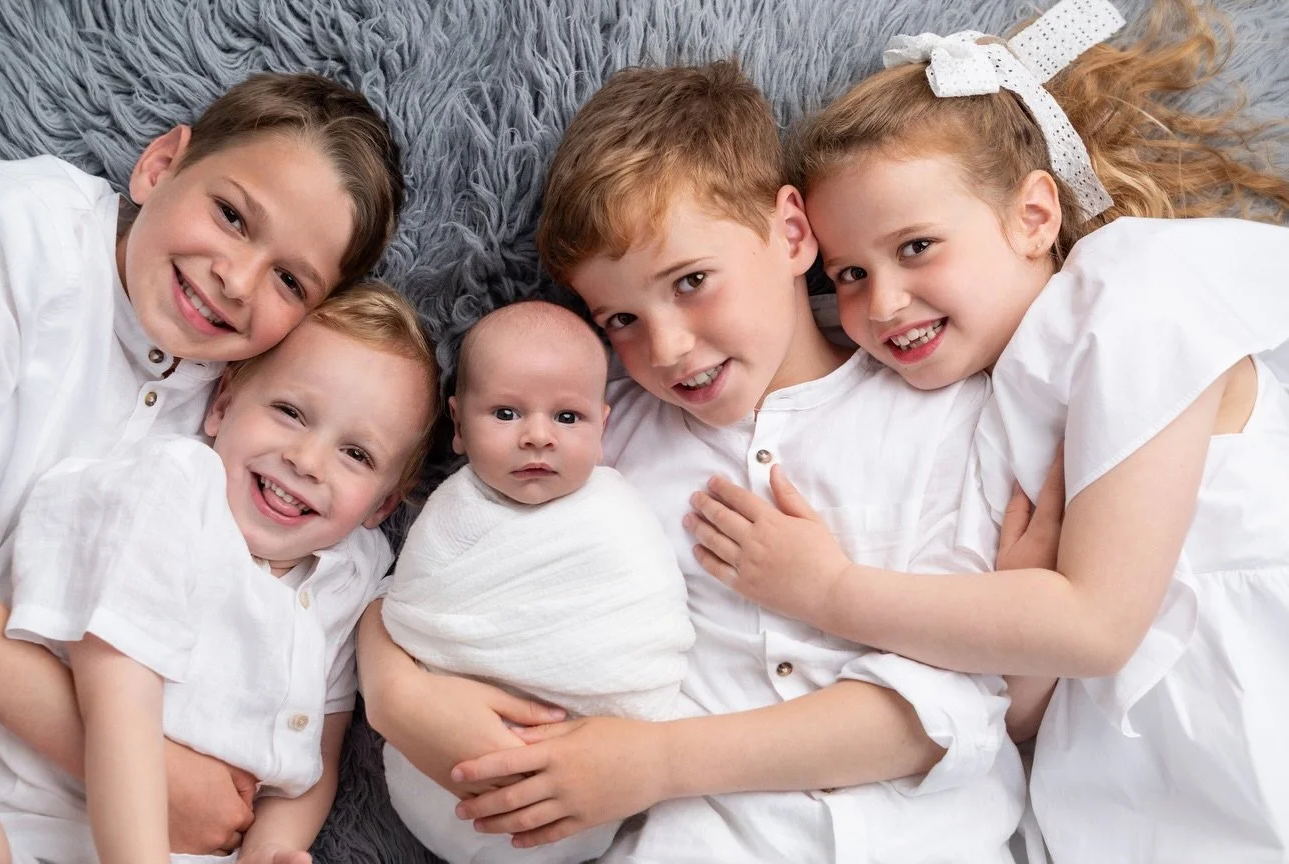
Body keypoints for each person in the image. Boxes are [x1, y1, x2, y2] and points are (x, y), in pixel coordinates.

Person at [358, 61, 1032, 863]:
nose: (668, 348)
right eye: (621, 320)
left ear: (790, 233)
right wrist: (396, 692)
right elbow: (451, 573)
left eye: (692, 282)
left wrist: (659, 762)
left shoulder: (942, 415)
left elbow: (950, 704)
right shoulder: (599, 433)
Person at [688, 1, 1289, 860]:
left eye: (916, 247)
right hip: (1124, 780)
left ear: (1033, 217)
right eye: (848, 273)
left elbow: (1097, 626)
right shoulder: (977, 410)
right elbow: (1017, 712)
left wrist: (829, 591)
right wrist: (1022, 612)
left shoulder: (1130, 297)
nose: (880, 303)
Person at [0, 70, 404, 852]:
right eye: (231, 215)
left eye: (289, 280)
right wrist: (149, 774)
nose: (236, 279)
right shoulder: (3, 228)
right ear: (159, 165)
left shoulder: (238, 413)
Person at [0, 283, 441, 864]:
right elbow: (119, 711)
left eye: (356, 454)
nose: (306, 460)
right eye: (289, 412)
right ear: (223, 404)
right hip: (24, 830)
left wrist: (268, 850)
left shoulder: (349, 578)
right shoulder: (167, 490)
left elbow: (313, 759)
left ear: (383, 505)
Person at [379, 300, 694, 864]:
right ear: (458, 424)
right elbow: (411, 616)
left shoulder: (618, 514)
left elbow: (650, 631)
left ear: (603, 425)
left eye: (567, 418)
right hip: (446, 760)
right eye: (506, 413)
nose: (537, 437)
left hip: (598, 774)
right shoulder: (451, 514)